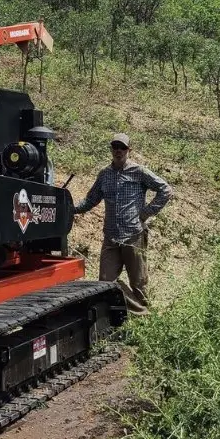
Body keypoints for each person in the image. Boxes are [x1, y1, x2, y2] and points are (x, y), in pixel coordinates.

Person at [72, 133, 173, 315]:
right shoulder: (104, 174)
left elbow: (165, 189)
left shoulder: (138, 172)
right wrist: (70, 209)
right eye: (115, 147)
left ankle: (143, 320)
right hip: (111, 237)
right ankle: (142, 313)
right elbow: (91, 199)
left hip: (133, 235)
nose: (118, 151)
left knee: (138, 283)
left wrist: (146, 213)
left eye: (122, 148)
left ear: (129, 150)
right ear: (111, 149)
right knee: (105, 283)